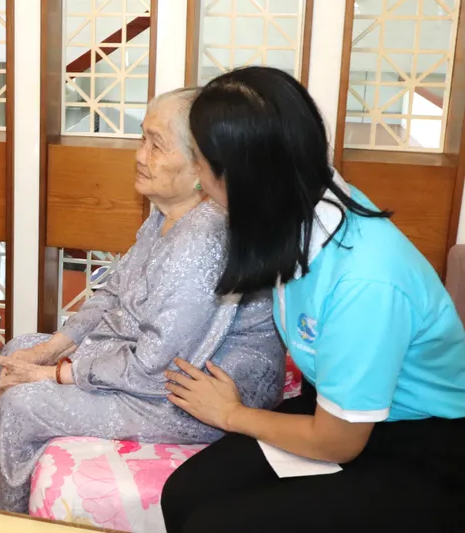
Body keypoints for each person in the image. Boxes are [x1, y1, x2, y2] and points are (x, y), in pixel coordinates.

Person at [160, 66, 465, 533]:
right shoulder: (297, 204)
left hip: (418, 444)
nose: (197, 176)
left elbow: (338, 441)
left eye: (199, 161)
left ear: (239, 175)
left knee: (215, 525)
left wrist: (232, 414)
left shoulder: (365, 281)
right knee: (182, 495)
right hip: (338, 409)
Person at [0, 88, 285, 513]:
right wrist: (54, 348)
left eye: (156, 144)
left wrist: (58, 375)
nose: (139, 155)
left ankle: (6, 521)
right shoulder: (167, 214)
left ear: (200, 165)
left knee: (24, 404)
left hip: (195, 393)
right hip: (152, 362)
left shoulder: (204, 237)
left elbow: (158, 368)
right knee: (18, 351)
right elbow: (115, 291)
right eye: (142, 138)